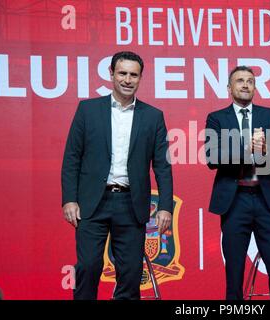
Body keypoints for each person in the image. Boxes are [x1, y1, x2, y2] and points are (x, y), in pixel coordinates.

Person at [61, 51, 173, 300]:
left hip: (131, 204)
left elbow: (163, 166)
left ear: (140, 78)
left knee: (131, 274)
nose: (127, 79)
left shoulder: (153, 116)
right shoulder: (87, 110)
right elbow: (72, 158)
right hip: (92, 202)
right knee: (89, 267)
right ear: (111, 73)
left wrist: (166, 206)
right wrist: (69, 199)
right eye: (122, 73)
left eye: (134, 75)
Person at [205, 66, 270, 300]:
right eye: (240, 81)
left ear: (255, 87)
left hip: (266, 201)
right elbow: (212, 158)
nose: (245, 85)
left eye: (250, 81)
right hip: (234, 202)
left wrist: (265, 148)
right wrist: (245, 147)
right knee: (234, 273)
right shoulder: (217, 118)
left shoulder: (269, 116)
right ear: (229, 88)